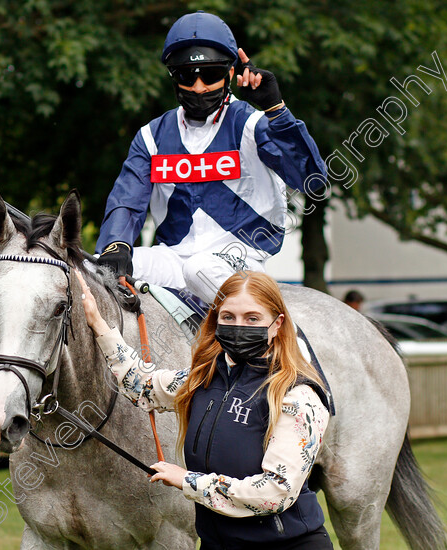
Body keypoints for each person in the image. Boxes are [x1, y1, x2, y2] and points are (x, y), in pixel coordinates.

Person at [74, 269, 333, 549]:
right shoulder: (200, 380)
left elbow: (276, 492)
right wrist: (98, 323)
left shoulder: (297, 395)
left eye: (252, 318)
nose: (238, 327)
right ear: (216, 320)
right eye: (228, 317)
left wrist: (188, 481)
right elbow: (141, 384)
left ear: (277, 324)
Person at [95, 11, 327, 304]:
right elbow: (127, 202)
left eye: (211, 75)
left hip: (242, 258)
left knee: (200, 268)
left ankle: (264, 342)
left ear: (230, 74)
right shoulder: (151, 136)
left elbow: (312, 180)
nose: (199, 87)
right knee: (95, 268)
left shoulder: (254, 124)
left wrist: (276, 110)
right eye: (186, 76)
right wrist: (116, 245)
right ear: (173, 77)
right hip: (173, 259)